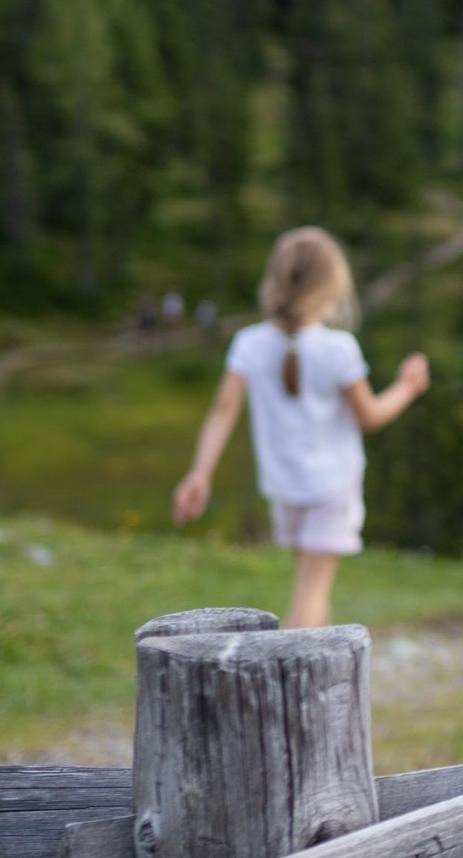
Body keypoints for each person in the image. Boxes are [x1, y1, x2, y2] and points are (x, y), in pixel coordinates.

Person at [174, 227, 430, 629]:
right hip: (331, 487)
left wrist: (200, 472)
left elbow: (223, 411)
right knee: (311, 593)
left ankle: (322, 667)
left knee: (310, 586)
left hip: (283, 487)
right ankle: (293, 669)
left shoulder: (249, 343)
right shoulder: (338, 349)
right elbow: (370, 416)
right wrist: (407, 387)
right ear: (332, 289)